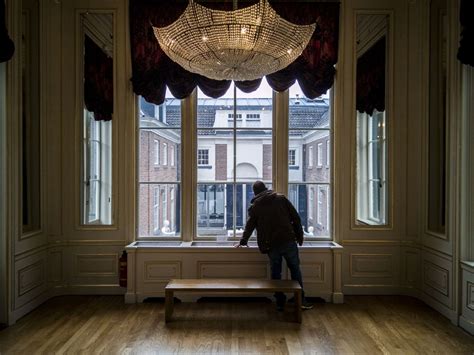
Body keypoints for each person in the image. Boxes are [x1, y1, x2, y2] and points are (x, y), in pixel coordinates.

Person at [236, 181, 313, 311]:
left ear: (255, 193)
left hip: (271, 244)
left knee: (276, 272)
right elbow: (296, 217)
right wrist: (300, 236)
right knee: (295, 270)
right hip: (288, 240)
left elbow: (250, 225)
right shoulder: (281, 199)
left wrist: (243, 241)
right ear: (266, 189)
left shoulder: (256, 206)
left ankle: (280, 301)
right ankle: (300, 299)